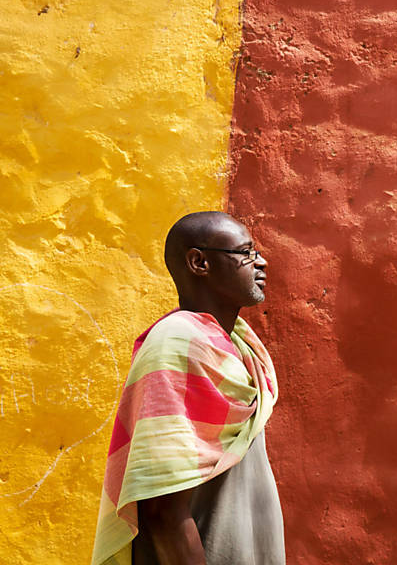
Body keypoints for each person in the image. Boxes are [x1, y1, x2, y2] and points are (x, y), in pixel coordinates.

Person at [91, 211, 284, 565]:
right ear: (199, 262)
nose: (262, 262)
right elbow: (162, 506)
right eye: (246, 253)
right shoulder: (176, 344)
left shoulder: (241, 348)